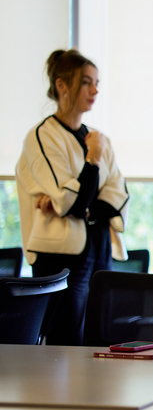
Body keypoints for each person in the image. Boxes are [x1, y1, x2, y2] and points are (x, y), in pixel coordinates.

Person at [16, 49, 129, 346]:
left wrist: (85, 210)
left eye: (97, 83)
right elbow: (69, 201)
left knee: (100, 339)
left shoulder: (99, 138)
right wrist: (92, 162)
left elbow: (118, 194)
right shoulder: (43, 136)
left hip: (100, 247)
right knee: (65, 342)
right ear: (62, 86)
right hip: (62, 255)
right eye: (86, 82)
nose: (95, 90)